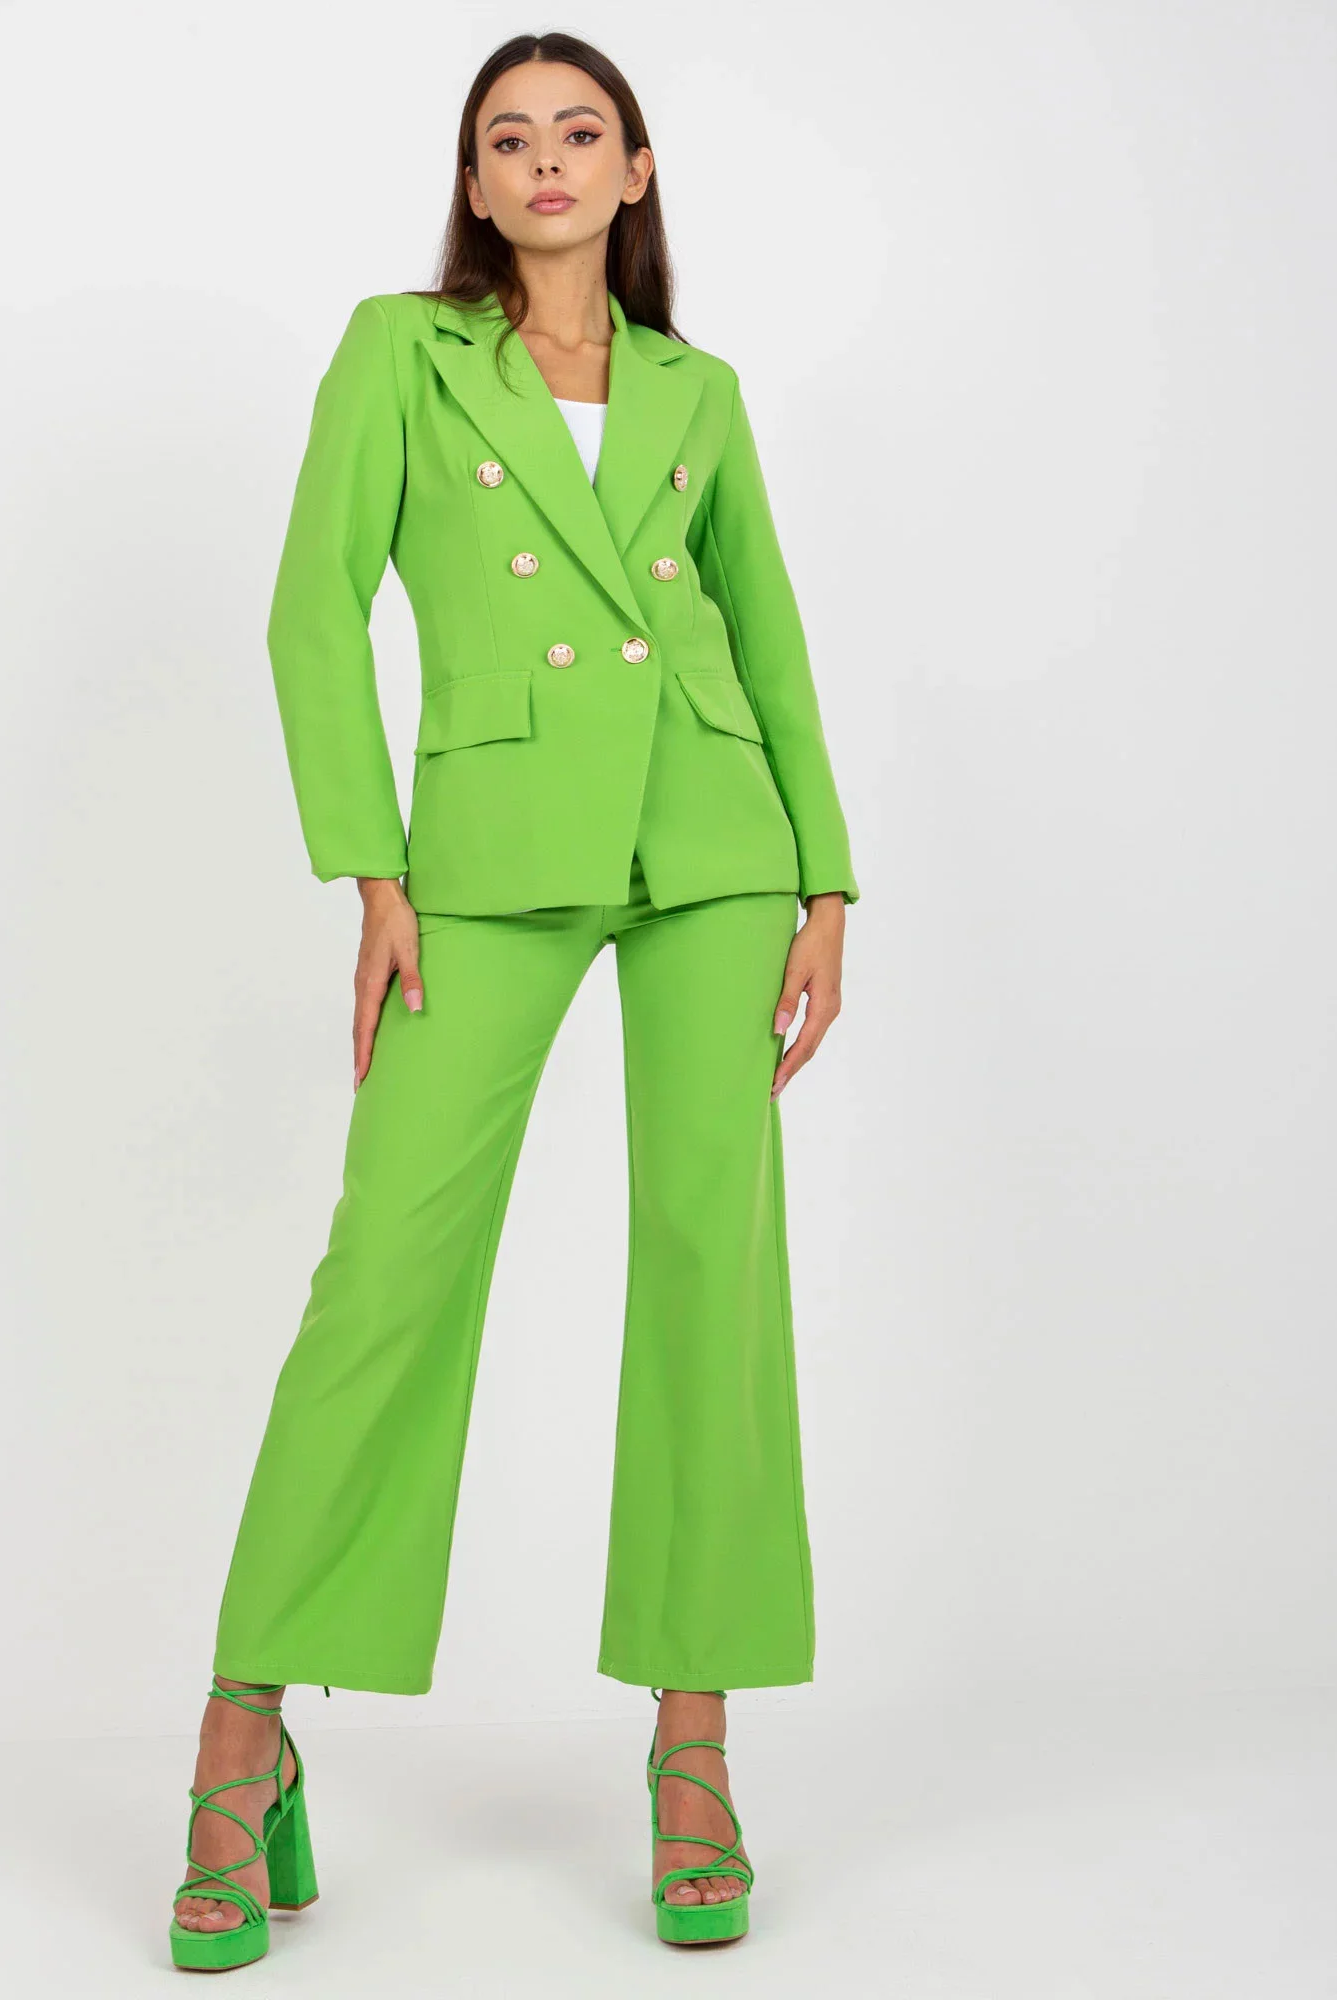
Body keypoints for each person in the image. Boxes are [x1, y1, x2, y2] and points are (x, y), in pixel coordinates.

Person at [167, 29, 860, 1971]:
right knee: (388, 1266)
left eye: (580, 132)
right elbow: (315, 608)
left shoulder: (698, 391)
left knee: (713, 1266)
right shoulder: (404, 352)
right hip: (482, 853)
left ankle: (695, 1750)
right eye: (508, 138)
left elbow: (769, 638)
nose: (545, 161)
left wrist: (824, 875)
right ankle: (242, 1734)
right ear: (474, 183)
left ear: (635, 171)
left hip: (714, 839)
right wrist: (372, 870)